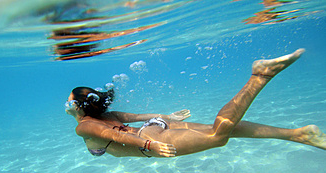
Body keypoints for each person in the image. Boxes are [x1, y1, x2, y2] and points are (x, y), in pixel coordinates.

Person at [65, 49, 325, 157]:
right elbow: (138, 116)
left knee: (218, 136)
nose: (66, 107)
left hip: (149, 139)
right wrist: (167, 117)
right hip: (154, 127)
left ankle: (260, 76)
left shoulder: (84, 127)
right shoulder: (106, 115)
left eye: (68, 103)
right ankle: (299, 135)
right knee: (227, 130)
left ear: (78, 107)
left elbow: (111, 134)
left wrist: (148, 143)